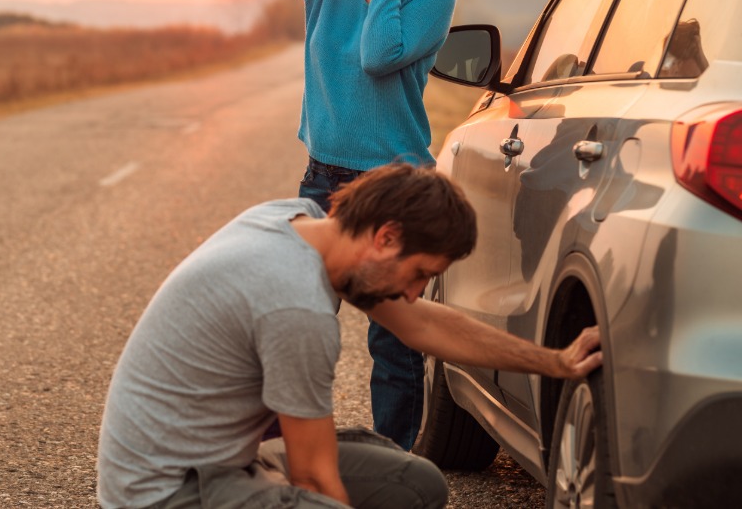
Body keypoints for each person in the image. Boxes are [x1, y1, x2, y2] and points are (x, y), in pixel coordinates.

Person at [97, 164, 603, 508]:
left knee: (415, 484)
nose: (415, 292)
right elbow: (314, 478)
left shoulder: (298, 223)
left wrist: (554, 362)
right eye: (420, 272)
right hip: (166, 493)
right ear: (386, 237)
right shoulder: (294, 303)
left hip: (220, 460)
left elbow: (424, 323)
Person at [252, 0, 457, 450]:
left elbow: (378, 56)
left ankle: (394, 465)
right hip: (323, 180)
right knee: (292, 325)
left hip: (395, 189)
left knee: (393, 344)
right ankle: (277, 455)